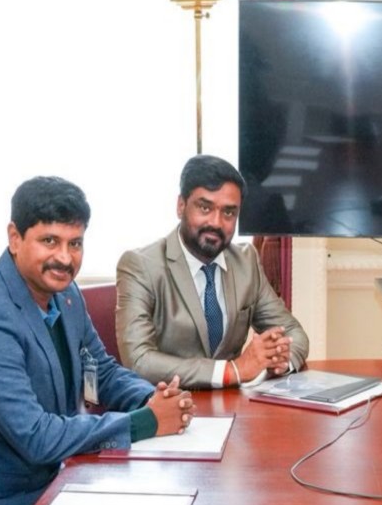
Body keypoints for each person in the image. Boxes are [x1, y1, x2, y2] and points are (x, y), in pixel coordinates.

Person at [0, 176, 194, 505]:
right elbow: (36, 436)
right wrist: (145, 422)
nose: (64, 258)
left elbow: (97, 372)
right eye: (49, 241)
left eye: (75, 243)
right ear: (14, 238)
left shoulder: (65, 294)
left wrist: (149, 397)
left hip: (58, 479)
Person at [116, 154, 309, 389]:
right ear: (181, 205)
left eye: (228, 213)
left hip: (233, 408)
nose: (216, 223)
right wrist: (232, 371)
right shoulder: (140, 265)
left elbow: (293, 332)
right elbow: (139, 360)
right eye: (205, 207)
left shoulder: (246, 262)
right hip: (167, 409)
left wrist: (280, 360)